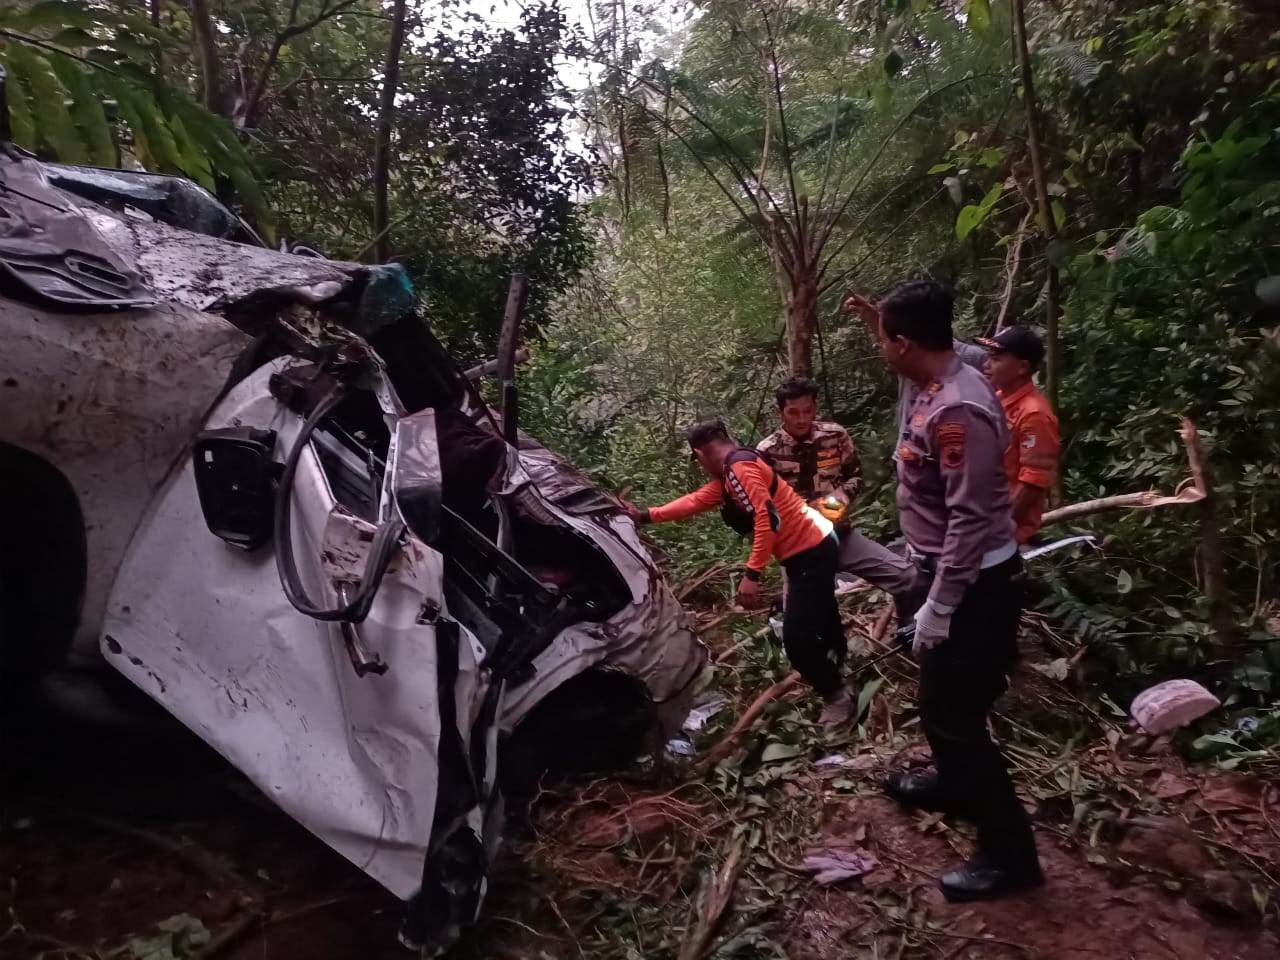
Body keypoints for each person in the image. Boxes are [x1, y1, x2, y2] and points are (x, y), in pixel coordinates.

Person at [872, 280, 1042, 902]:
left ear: (905, 342)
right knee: (938, 702)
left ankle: (1009, 855)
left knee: (957, 717)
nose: (880, 348)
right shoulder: (940, 379)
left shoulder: (958, 410)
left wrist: (941, 607)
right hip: (943, 570)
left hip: (973, 584)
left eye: (883, 338)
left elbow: (970, 519)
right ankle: (951, 781)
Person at [623, 420, 857, 726]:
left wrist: (752, 574)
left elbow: (767, 518)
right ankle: (843, 667)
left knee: (797, 641)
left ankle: (837, 696)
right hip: (816, 542)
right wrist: (645, 516)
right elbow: (698, 500)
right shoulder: (734, 469)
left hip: (809, 550)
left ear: (699, 453)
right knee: (823, 615)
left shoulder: (740, 469)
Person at [756, 376, 925, 621]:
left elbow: (856, 476)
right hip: (801, 549)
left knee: (908, 578)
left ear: (815, 407)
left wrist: (842, 495)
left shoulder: (834, 435)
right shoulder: (766, 451)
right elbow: (766, 506)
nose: (802, 419)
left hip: (841, 536)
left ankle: (909, 631)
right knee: (801, 620)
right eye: (793, 412)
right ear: (779, 412)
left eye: (808, 410)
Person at [843, 290, 989, 468]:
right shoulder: (914, 359)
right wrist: (872, 316)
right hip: (912, 458)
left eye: (885, 342)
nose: (885, 351)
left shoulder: (974, 361)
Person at [978, 327, 1061, 545]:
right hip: (979, 519)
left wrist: (998, 527)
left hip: (1001, 534)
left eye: (995, 359)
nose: (986, 365)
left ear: (1022, 367)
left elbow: (1033, 482)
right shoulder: (995, 399)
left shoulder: (1034, 414)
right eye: (988, 358)